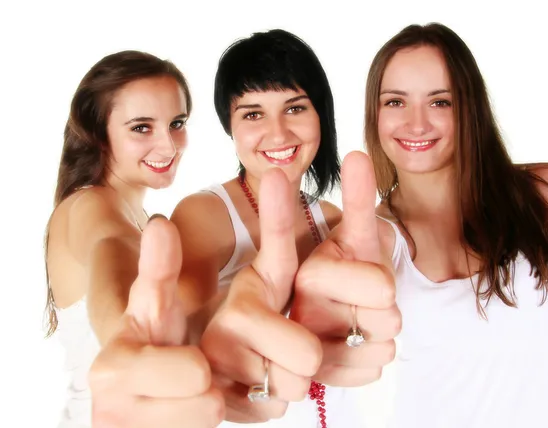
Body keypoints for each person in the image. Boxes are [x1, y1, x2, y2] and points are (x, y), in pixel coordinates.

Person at [358, 22, 548, 427]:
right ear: (374, 114)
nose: (416, 124)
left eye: (440, 102)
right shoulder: (375, 235)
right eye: (395, 102)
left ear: (470, 107)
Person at [170, 29, 367, 427]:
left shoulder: (333, 220)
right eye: (253, 114)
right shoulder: (204, 215)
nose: (278, 133)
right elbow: (177, 336)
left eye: (295, 108)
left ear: (321, 115)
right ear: (230, 126)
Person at [44, 50, 223, 428]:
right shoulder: (92, 206)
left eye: (177, 123)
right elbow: (111, 255)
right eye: (141, 127)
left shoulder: (137, 216)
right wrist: (124, 333)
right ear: (99, 134)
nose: (168, 145)